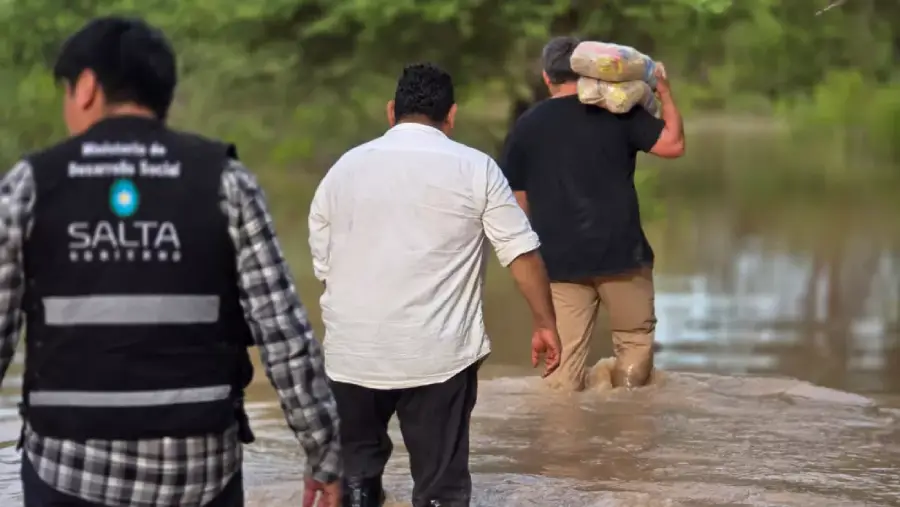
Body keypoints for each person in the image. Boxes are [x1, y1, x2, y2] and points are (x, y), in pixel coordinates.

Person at [0, 16, 342, 507]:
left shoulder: (29, 186)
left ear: (88, 88)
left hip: (68, 474)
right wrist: (324, 455)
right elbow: (284, 334)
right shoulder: (227, 182)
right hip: (200, 474)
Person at [308, 63, 561, 507]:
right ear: (452, 116)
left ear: (392, 112)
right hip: (438, 356)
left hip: (352, 353)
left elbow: (324, 264)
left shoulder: (343, 170)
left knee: (355, 479)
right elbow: (521, 252)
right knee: (440, 487)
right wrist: (544, 322)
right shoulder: (476, 168)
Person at [499, 36, 686, 392]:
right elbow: (674, 144)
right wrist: (663, 91)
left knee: (561, 372)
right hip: (622, 255)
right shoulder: (619, 110)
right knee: (634, 352)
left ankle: (563, 440)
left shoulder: (527, 125)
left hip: (558, 262)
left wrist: (534, 254)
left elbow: (517, 200)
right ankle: (626, 434)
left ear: (546, 77)